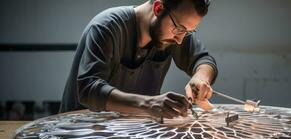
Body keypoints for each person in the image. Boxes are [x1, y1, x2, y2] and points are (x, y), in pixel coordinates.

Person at [60, 0, 218, 119]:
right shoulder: (107, 27)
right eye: (180, 29)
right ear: (158, 8)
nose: (179, 40)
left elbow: (203, 60)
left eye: (188, 32)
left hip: (130, 134)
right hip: (80, 132)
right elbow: (88, 89)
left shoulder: (175, 32)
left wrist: (201, 78)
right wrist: (147, 104)